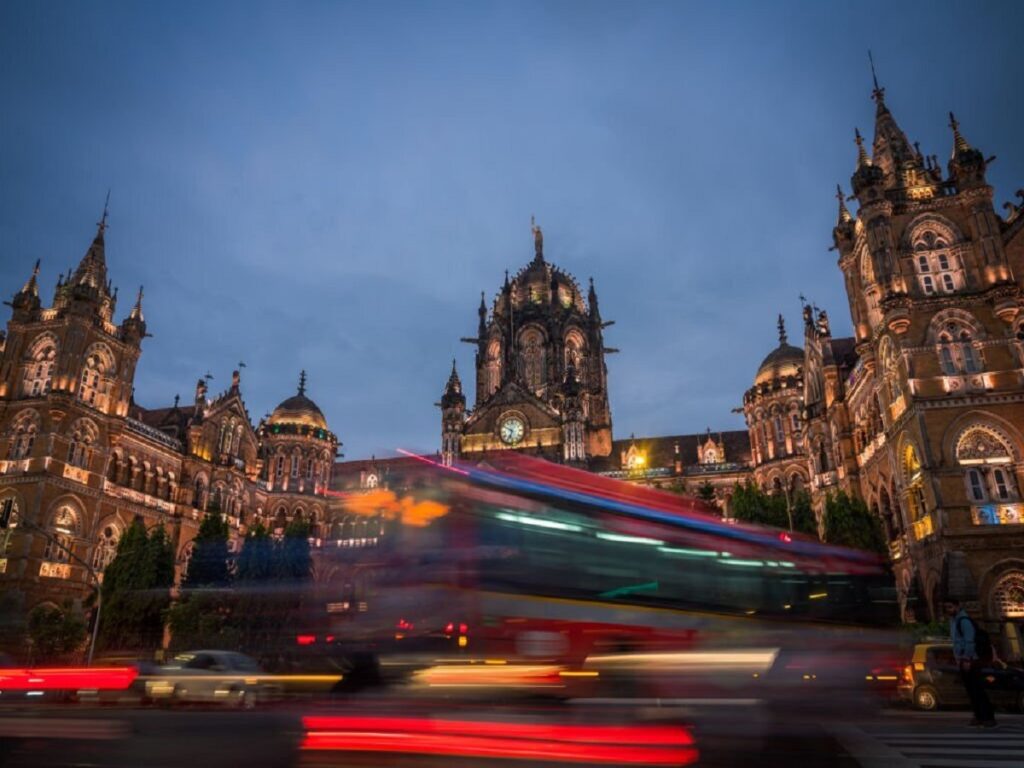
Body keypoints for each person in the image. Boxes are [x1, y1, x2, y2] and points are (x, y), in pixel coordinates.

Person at [944, 599, 996, 727]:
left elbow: (969, 641)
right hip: (962, 660)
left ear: (957, 606)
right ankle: (979, 716)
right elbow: (956, 642)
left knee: (977, 690)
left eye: (950, 607)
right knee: (971, 691)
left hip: (971, 661)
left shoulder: (964, 621)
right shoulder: (954, 621)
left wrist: (967, 658)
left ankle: (988, 717)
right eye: (947, 608)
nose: (948, 610)